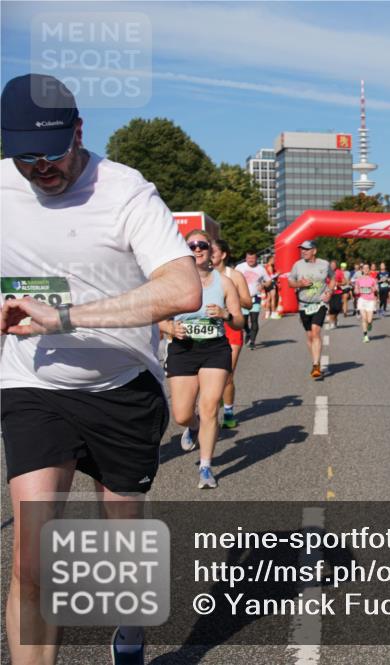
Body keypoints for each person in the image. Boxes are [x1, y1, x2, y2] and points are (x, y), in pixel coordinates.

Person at [0, 73, 201, 665]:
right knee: (33, 558)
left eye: (53, 152)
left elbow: (183, 287)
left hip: (122, 386)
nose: (40, 168)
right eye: (24, 156)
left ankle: (131, 623)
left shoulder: (126, 192)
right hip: (34, 383)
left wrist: (65, 318)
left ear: (80, 131)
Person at [161, 230, 244, 489]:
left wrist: (225, 314)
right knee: (182, 415)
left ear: (211, 251)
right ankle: (192, 426)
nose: (198, 249)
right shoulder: (173, 282)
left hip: (215, 349)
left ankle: (206, 467)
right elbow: (157, 317)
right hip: (183, 350)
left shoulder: (225, 282)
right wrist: (170, 328)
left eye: (203, 246)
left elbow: (240, 321)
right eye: (192, 246)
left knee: (209, 408)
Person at [213, 240, 252, 429]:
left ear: (223, 255)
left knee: (227, 373)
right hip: (209, 327)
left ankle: (228, 412)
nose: (208, 253)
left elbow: (248, 303)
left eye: (213, 251)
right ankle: (213, 402)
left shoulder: (234, 275)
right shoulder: (200, 275)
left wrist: (232, 296)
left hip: (231, 326)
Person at [288, 240, 333, 378]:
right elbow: (290, 283)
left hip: (320, 303)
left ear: (314, 251)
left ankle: (315, 365)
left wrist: (329, 292)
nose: (303, 251)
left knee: (315, 332)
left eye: (306, 249)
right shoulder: (297, 265)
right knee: (309, 336)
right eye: (302, 249)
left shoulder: (324, 264)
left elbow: (333, 278)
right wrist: (299, 283)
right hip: (304, 304)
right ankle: (315, 360)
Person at [235, 249, 271, 350]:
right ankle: (248, 332)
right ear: (246, 258)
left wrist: (263, 284)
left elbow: (269, 281)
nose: (251, 260)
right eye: (249, 258)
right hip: (242, 298)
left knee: (254, 319)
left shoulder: (261, 269)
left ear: (256, 259)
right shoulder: (240, 267)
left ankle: (252, 341)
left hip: (255, 298)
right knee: (244, 321)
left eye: (253, 258)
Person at [354, 262, 378, 342]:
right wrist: (357, 291)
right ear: (362, 270)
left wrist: (372, 289)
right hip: (362, 300)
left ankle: (370, 323)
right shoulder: (358, 280)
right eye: (364, 268)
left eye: (367, 268)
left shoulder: (373, 279)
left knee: (369, 320)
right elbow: (355, 290)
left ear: (369, 270)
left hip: (370, 301)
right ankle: (365, 336)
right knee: (364, 318)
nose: (366, 270)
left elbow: (376, 288)